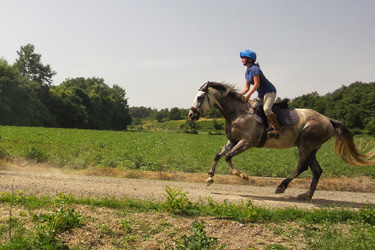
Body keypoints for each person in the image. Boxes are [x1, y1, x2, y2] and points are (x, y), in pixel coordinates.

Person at [239, 49, 280, 139]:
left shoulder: (254, 69)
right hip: (261, 94)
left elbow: (257, 84)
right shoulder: (247, 71)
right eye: (242, 58)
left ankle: (276, 130)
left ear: (250, 59)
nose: (242, 59)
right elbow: (246, 87)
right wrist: (238, 95)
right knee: (254, 109)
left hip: (269, 91)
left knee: (266, 109)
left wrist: (248, 95)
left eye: (244, 57)